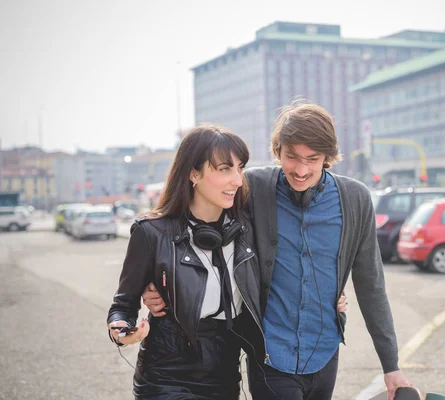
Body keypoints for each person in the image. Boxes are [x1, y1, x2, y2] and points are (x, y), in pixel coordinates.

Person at [143, 102, 412, 400]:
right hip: (271, 354)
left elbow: (371, 286)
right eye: (291, 157)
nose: (301, 169)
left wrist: (391, 365)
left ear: (328, 158)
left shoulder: (355, 199)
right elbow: (193, 219)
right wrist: (155, 277)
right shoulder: (253, 188)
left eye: (313, 159)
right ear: (278, 150)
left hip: (325, 353)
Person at [106, 124, 263, 400]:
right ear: (193, 173)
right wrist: (123, 332)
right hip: (166, 375)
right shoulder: (151, 233)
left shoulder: (247, 230)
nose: (237, 180)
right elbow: (123, 306)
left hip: (225, 374)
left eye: (240, 168)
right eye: (225, 168)